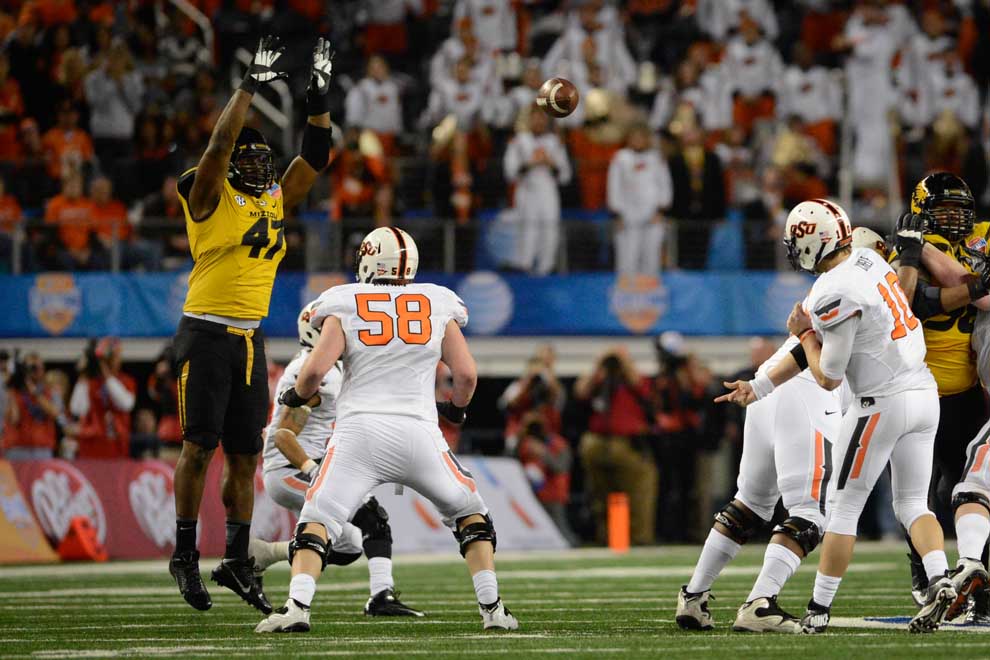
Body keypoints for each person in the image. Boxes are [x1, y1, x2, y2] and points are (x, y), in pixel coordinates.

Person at [255, 227, 517, 633]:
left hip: (359, 434)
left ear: (368, 260)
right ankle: (493, 610)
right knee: (470, 513)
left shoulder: (344, 300)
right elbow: (466, 374)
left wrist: (296, 396)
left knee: (318, 517)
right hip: (419, 434)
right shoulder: (437, 300)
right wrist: (456, 411)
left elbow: (314, 372)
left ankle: (297, 608)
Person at [718, 199, 953, 634]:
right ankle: (940, 578)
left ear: (811, 243)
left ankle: (818, 608)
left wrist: (805, 332)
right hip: (923, 392)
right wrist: (761, 385)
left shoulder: (832, 291)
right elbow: (814, 345)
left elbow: (828, 375)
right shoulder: (867, 259)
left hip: (881, 403)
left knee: (843, 509)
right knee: (912, 504)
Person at [168, 36, 334, 614]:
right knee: (198, 447)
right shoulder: (208, 196)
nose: (262, 165)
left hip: (248, 339)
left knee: (243, 455)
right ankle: (184, 553)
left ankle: (237, 560)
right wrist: (249, 87)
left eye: (265, 157)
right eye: (251, 157)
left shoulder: (271, 200)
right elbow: (219, 145)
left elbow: (315, 156)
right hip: (205, 334)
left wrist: (319, 100)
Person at [248, 300, 423, 617]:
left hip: (310, 464)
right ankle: (380, 596)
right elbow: (283, 436)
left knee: (350, 546)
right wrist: (312, 470)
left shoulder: (328, 367)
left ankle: (265, 553)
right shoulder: (317, 372)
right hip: (289, 469)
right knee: (372, 518)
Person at [679, 331, 845, 632]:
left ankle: (693, 596)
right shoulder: (879, 302)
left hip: (772, 378)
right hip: (809, 387)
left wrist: (762, 384)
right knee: (811, 512)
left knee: (749, 504)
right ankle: (760, 601)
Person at [888, 173, 990, 614]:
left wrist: (928, 257)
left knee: (970, 486)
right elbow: (906, 302)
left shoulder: (979, 237)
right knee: (918, 495)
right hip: (917, 390)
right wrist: (918, 256)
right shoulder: (902, 250)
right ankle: (925, 574)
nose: (954, 219)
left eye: (959, 210)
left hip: (965, 391)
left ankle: (977, 578)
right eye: (943, 211)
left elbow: (978, 286)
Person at [575, 348, 658, 546]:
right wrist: (600, 365)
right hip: (598, 442)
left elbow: (646, 392)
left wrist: (624, 364)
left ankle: (637, 540)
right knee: (603, 496)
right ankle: (613, 539)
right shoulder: (598, 381)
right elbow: (580, 392)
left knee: (636, 495)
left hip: (627, 443)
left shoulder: (634, 381)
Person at [503, 107, 571, 275]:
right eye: (535, 118)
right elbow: (510, 172)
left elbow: (565, 175)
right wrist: (531, 163)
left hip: (548, 188)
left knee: (550, 227)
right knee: (527, 227)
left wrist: (549, 163)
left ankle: (546, 267)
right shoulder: (519, 141)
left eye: (542, 118)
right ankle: (524, 264)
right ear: (529, 120)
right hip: (527, 188)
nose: (539, 122)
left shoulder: (555, 142)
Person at [607, 123, 673, 275]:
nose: (637, 141)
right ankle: (626, 288)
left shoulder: (656, 158)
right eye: (634, 137)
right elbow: (614, 186)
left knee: (652, 258)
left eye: (641, 137)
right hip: (627, 216)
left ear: (647, 139)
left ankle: (650, 288)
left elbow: (665, 184)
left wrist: (660, 210)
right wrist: (617, 213)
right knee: (627, 258)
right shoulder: (620, 157)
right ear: (628, 139)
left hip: (653, 216)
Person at [69, 337, 135, 459]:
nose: (116, 360)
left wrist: (106, 374)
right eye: (114, 357)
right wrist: (84, 374)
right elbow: (77, 409)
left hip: (117, 446)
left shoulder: (126, 381)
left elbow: (126, 404)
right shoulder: (90, 382)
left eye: (116, 357)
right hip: (91, 447)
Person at [2, 353, 61, 460]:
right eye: (32, 368)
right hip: (17, 448)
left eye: (38, 367)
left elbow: (55, 413)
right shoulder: (14, 392)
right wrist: (12, 389)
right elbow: (14, 419)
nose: (35, 371)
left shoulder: (50, 391)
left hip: (42, 448)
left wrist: (35, 392)